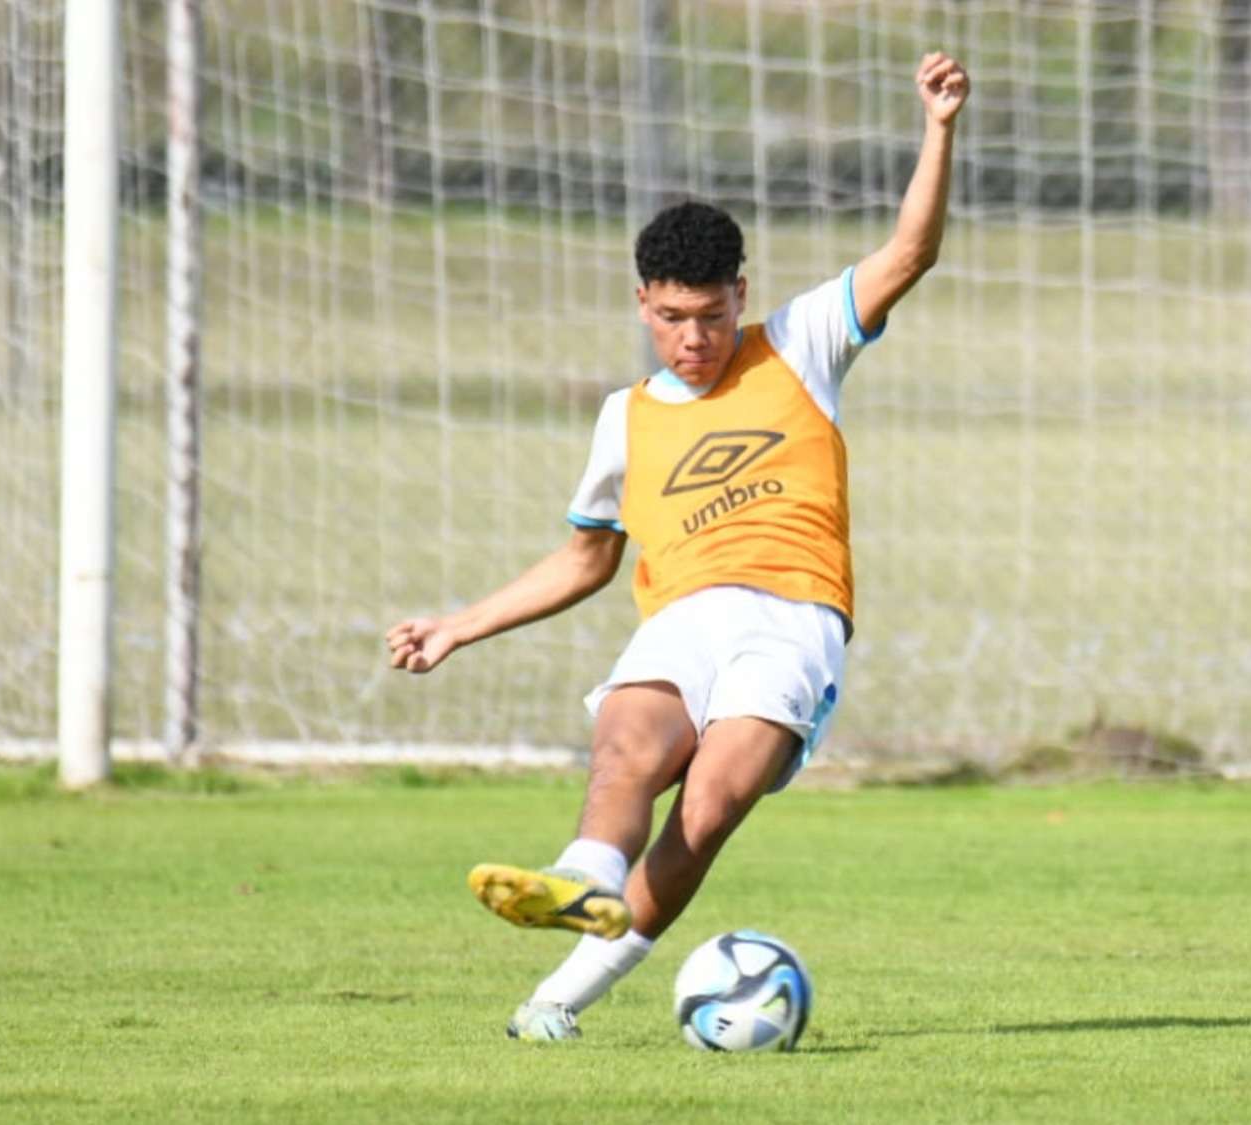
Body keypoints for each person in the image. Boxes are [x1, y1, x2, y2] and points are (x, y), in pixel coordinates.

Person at [385, 51, 969, 1042]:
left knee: (706, 804)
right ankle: (582, 880)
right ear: (642, 304)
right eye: (669, 318)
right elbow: (584, 558)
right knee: (624, 749)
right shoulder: (625, 418)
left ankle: (555, 1000)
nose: (691, 339)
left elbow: (908, 252)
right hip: (683, 618)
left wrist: (939, 127)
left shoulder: (802, 344)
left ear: (738, 295)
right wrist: (459, 626)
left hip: (791, 621)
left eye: (708, 316)